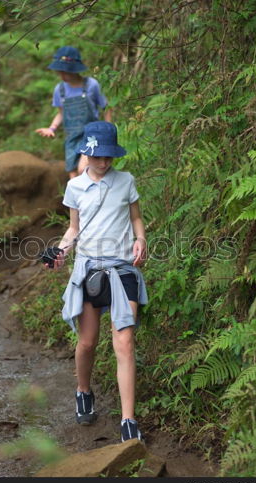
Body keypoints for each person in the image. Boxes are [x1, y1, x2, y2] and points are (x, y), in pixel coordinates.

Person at [45, 121, 148, 442]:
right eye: (98, 156)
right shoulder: (75, 187)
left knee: (124, 342)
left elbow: (135, 217)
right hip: (90, 270)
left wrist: (141, 238)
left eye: (109, 157)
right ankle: (83, 390)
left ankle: (128, 420)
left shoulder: (126, 181)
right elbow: (73, 229)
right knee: (88, 342)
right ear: (86, 154)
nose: (104, 162)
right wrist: (60, 251)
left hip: (122, 270)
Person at [35, 46, 112, 180]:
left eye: (66, 72)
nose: (63, 75)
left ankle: (96, 196)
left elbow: (107, 107)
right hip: (71, 137)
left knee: (83, 169)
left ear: (76, 70)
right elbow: (61, 113)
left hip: (91, 135)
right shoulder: (59, 90)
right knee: (73, 174)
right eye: (60, 72)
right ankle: (78, 200)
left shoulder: (91, 85)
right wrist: (52, 128)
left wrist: (108, 129)